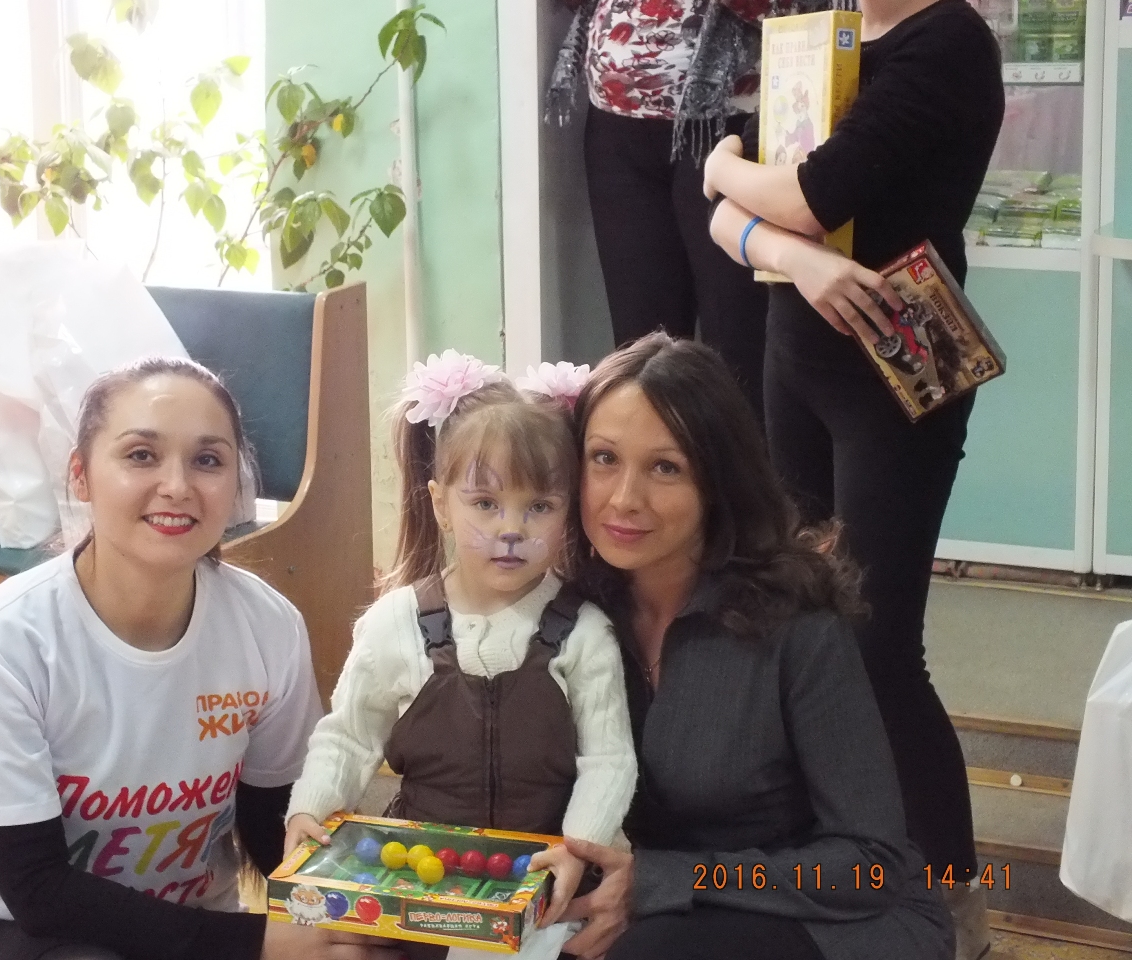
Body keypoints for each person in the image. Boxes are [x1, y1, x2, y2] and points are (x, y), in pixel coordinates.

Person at [0, 357, 402, 960]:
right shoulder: (7, 641)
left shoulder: (267, 624)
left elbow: (273, 822)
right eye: (141, 455)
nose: (177, 486)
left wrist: (350, 919)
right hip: (5, 931)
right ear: (81, 476)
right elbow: (38, 892)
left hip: (186, 932)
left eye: (208, 460)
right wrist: (260, 944)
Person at [703, 0, 1004, 955]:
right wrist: (793, 256)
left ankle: (954, 901)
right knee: (798, 622)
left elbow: (806, 194)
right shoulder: (819, 33)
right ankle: (832, 860)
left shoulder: (947, 40)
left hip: (900, 367)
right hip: (797, 358)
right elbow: (733, 221)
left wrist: (727, 169)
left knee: (879, 646)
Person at [553, 333, 954, 960]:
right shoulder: (566, 611)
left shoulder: (799, 625)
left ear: (718, 481)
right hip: (650, 909)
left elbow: (869, 865)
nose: (624, 499)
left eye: (665, 467)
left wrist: (664, 882)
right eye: (604, 458)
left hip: (830, 918)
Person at [283, 352, 638, 948]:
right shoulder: (394, 623)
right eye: (485, 504)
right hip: (415, 875)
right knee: (305, 941)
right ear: (440, 503)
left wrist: (579, 847)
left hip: (541, 879)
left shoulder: (584, 632)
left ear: (569, 512)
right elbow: (348, 735)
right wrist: (309, 809)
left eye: (539, 507)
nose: (511, 529)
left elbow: (609, 760)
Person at [543, 0, 820, 419]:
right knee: (640, 349)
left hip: (731, 128)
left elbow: (798, 9)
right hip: (616, 126)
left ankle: (743, 463)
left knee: (740, 349)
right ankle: (649, 458)